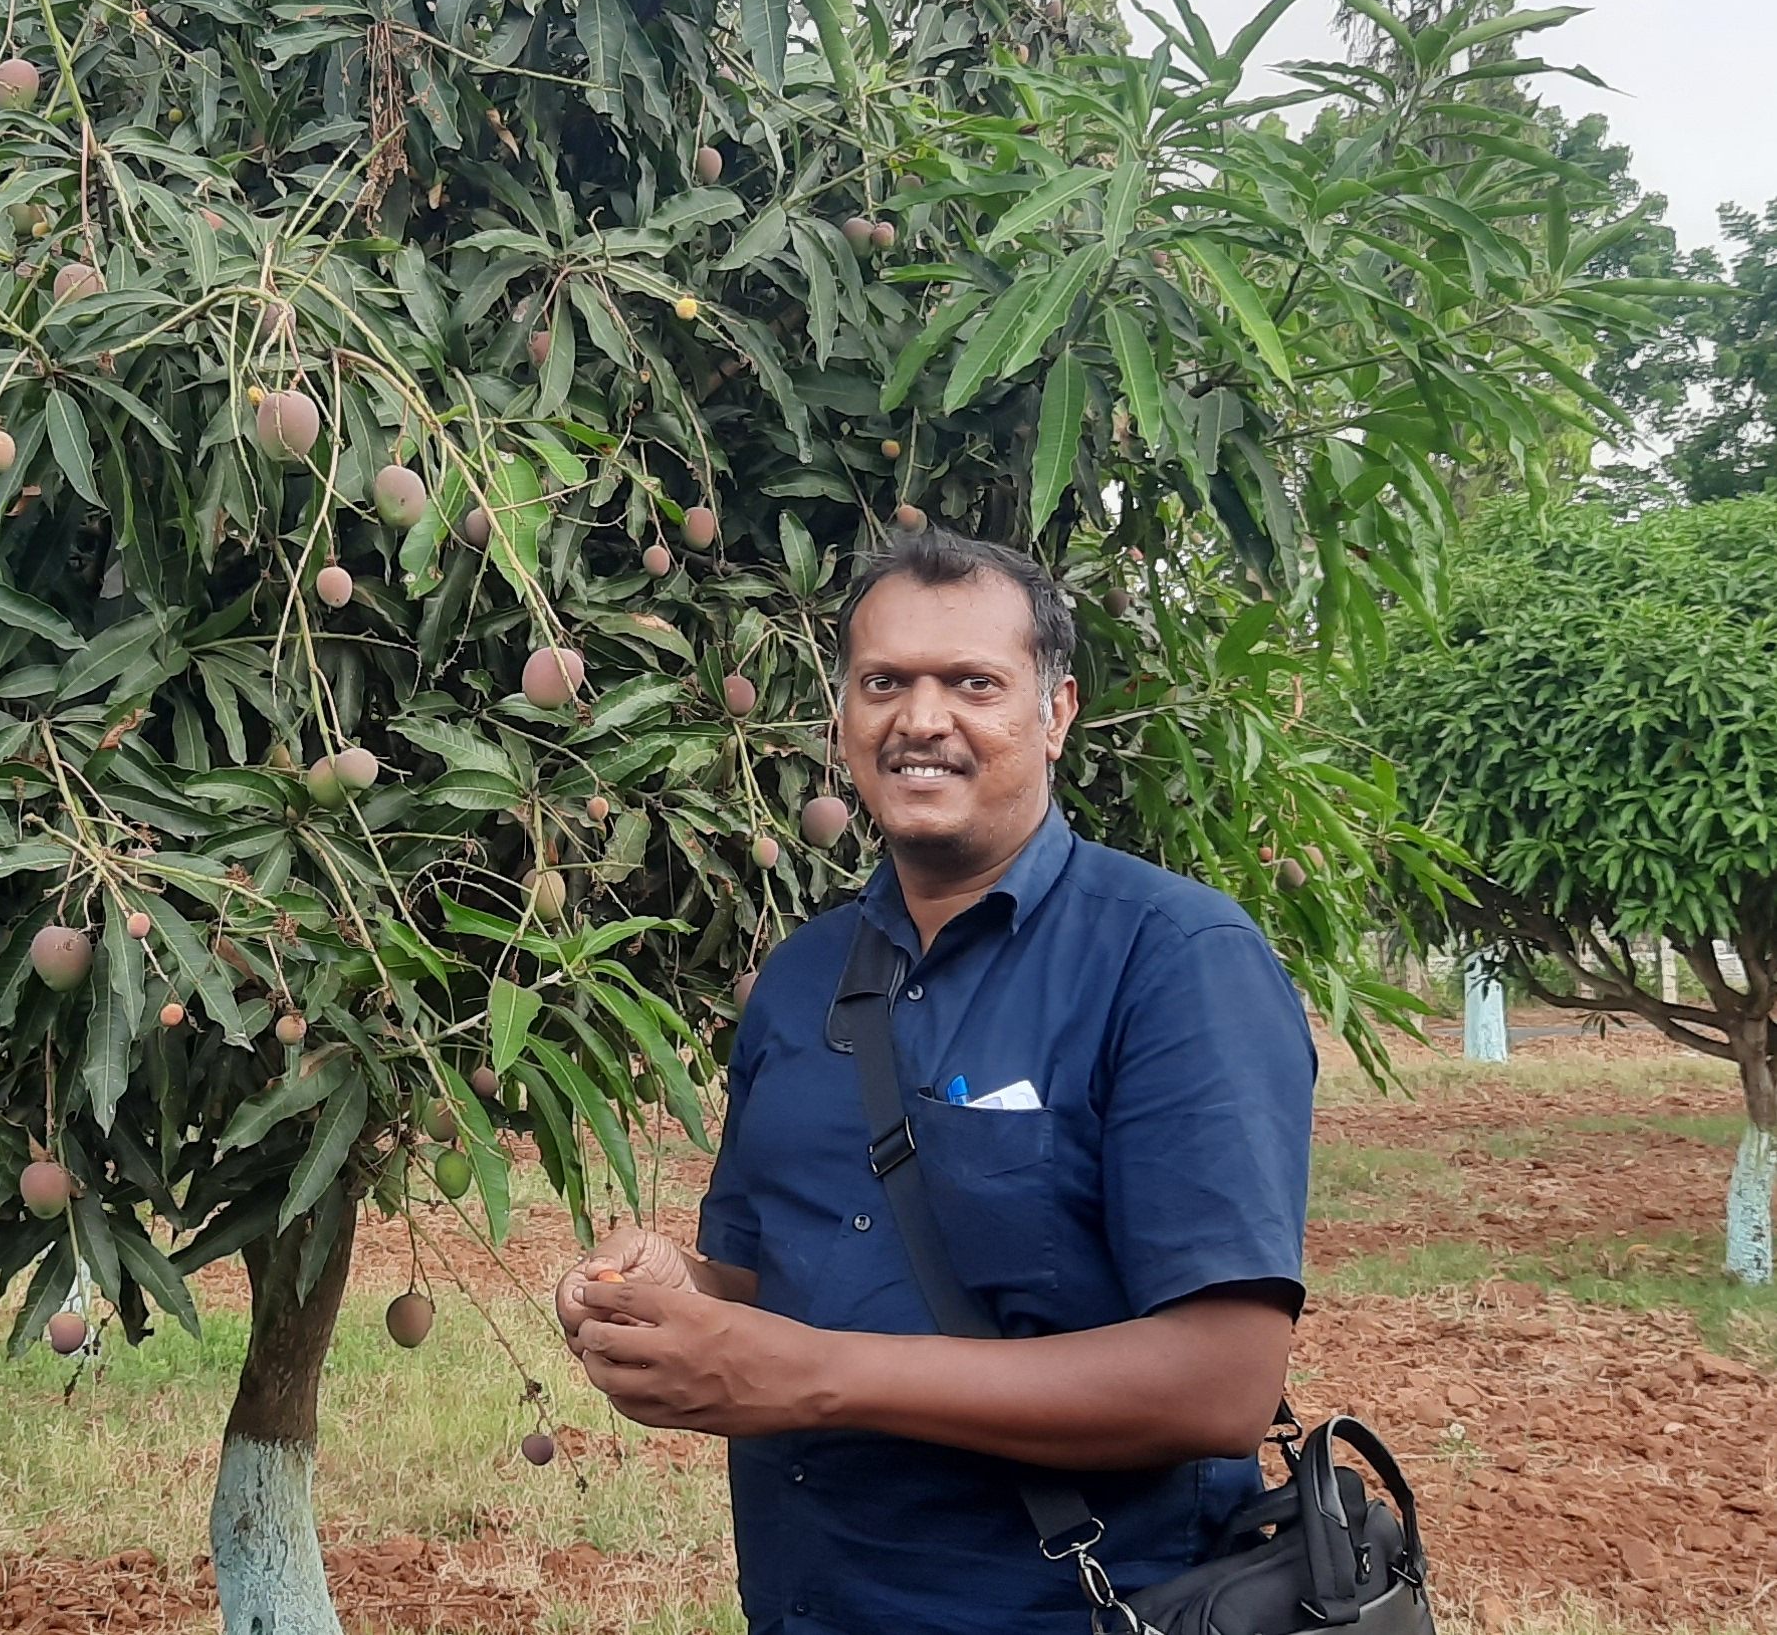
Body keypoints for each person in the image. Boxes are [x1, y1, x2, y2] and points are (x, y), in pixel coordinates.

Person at [553, 526, 1317, 1634]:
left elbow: (1221, 1381)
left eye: (972, 682)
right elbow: (784, 1283)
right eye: (885, 683)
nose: (921, 719)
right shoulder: (802, 978)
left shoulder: (1173, 958)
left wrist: (815, 1374)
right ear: (841, 720)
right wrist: (670, 1288)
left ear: (1055, 713)